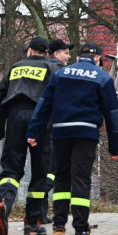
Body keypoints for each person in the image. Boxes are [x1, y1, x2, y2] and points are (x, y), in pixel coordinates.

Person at [27, 41, 118, 235]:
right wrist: (114, 147)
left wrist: (33, 131)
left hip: (60, 133)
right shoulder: (103, 78)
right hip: (86, 134)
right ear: (98, 59)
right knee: (80, 182)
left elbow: (44, 104)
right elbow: (112, 116)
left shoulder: (61, 74)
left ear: (78, 57)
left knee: (61, 180)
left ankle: (58, 230)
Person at [0, 37, 57, 235]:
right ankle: (32, 223)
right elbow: (57, 96)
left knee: (11, 168)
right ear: (46, 53)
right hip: (40, 118)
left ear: (29, 51)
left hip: (15, 117)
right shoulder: (51, 68)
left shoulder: (15, 67)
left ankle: (4, 203)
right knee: (39, 171)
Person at [42, 38, 74, 224]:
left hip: (38, 125)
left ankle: (39, 212)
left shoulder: (40, 68)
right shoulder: (61, 71)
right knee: (54, 170)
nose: (69, 57)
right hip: (56, 126)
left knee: (43, 169)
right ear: (55, 54)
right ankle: (39, 206)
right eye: (65, 53)